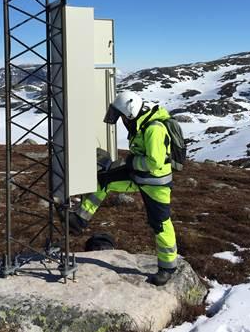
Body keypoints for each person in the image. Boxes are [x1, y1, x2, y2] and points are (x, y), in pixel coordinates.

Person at [67, 90, 178, 286]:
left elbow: (154, 163)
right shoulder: (141, 121)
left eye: (121, 117)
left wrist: (131, 161)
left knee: (160, 223)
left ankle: (167, 268)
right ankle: (78, 220)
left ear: (130, 114)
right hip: (138, 174)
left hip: (154, 183)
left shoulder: (154, 129)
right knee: (103, 180)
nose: (121, 121)